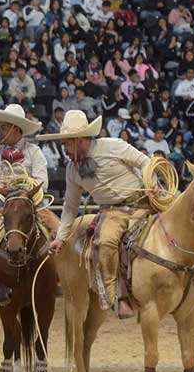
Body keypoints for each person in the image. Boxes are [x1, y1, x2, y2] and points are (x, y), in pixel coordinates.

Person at [38, 110, 150, 319]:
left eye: (66, 144)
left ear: (79, 140)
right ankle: (116, 297)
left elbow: (145, 162)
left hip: (146, 201)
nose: (65, 150)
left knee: (181, 220)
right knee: (106, 242)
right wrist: (61, 238)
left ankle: (191, 278)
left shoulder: (114, 146)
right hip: (113, 212)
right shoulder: (72, 171)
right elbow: (70, 208)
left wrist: (152, 183)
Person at [0, 104, 59, 254]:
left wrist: (24, 190)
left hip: (34, 205)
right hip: (5, 206)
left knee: (60, 233)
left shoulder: (34, 151)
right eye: (1, 128)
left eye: (4, 128)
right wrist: (6, 190)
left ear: (15, 128)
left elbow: (42, 183)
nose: (0, 132)